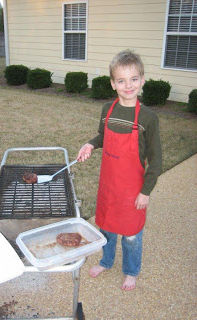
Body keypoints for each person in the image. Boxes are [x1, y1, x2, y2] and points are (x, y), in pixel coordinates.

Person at [77, 49, 162, 291]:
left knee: (132, 234)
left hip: (133, 189)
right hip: (109, 185)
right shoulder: (108, 110)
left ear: (142, 80)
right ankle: (106, 261)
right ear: (113, 83)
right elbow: (103, 136)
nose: (128, 85)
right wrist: (90, 144)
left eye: (134, 79)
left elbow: (155, 161)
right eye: (122, 80)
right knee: (107, 227)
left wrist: (146, 192)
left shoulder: (148, 118)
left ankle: (132, 270)